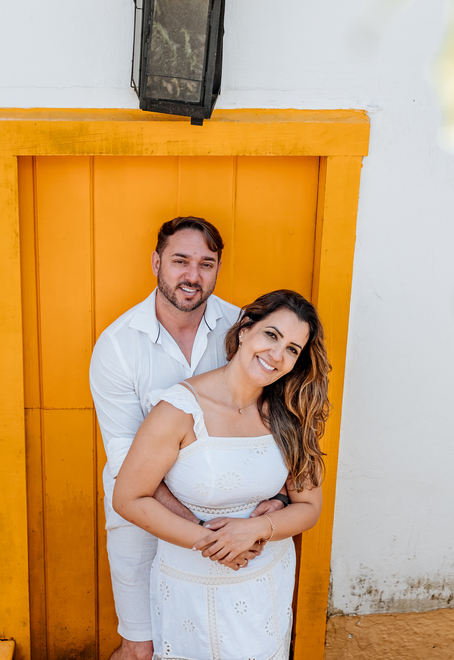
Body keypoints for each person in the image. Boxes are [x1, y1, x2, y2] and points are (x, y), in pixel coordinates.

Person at [90, 217, 287, 660]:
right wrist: (202, 532)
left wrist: (278, 501)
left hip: (236, 522)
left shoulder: (242, 329)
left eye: (206, 264)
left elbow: (276, 420)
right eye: (180, 261)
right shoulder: (118, 346)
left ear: (218, 269)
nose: (192, 276)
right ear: (156, 263)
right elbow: (125, 459)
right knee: (143, 647)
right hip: (143, 517)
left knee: (225, 645)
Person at [112, 290, 331, 660]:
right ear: (245, 330)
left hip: (265, 584)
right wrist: (212, 543)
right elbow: (128, 498)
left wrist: (256, 529)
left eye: (292, 349)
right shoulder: (180, 410)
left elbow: (309, 506)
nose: (277, 355)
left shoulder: (290, 411)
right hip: (192, 585)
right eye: (272, 335)